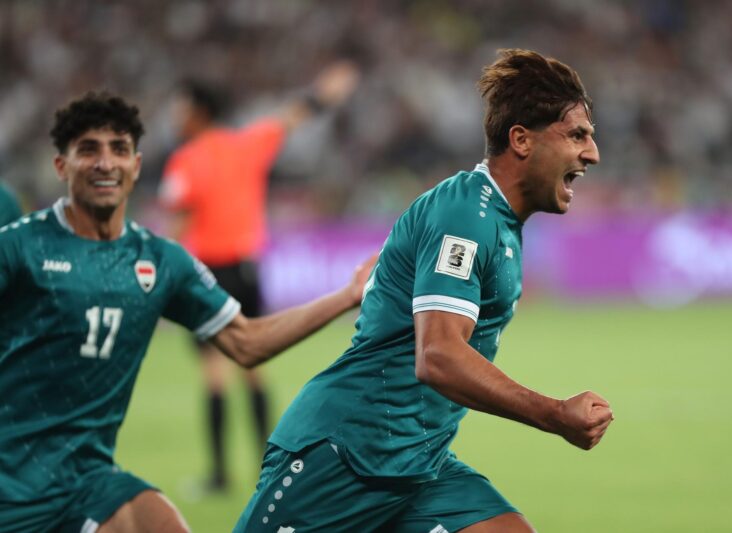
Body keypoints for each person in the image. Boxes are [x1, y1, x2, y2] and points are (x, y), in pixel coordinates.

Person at [234, 49, 613, 533]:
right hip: (346, 456)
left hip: (418, 464)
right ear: (520, 139)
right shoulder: (464, 217)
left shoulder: (498, 223)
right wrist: (555, 414)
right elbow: (438, 356)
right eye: (577, 135)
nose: (592, 154)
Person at [0, 91, 372, 533]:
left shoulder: (160, 261)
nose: (105, 163)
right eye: (88, 150)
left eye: (118, 149)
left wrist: (346, 296)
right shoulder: (19, 249)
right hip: (11, 482)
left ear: (137, 165)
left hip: (88, 481)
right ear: (61, 166)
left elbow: (246, 341)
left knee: (163, 523)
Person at [158, 62, 359, 492]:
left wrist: (158, 266)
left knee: (213, 372)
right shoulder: (247, 143)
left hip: (209, 273)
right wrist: (326, 92)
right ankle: (269, 466)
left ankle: (218, 476)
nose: (174, 113)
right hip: (247, 268)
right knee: (254, 369)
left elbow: (176, 218)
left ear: (197, 109)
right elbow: (294, 114)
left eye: (179, 105)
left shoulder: (187, 159)